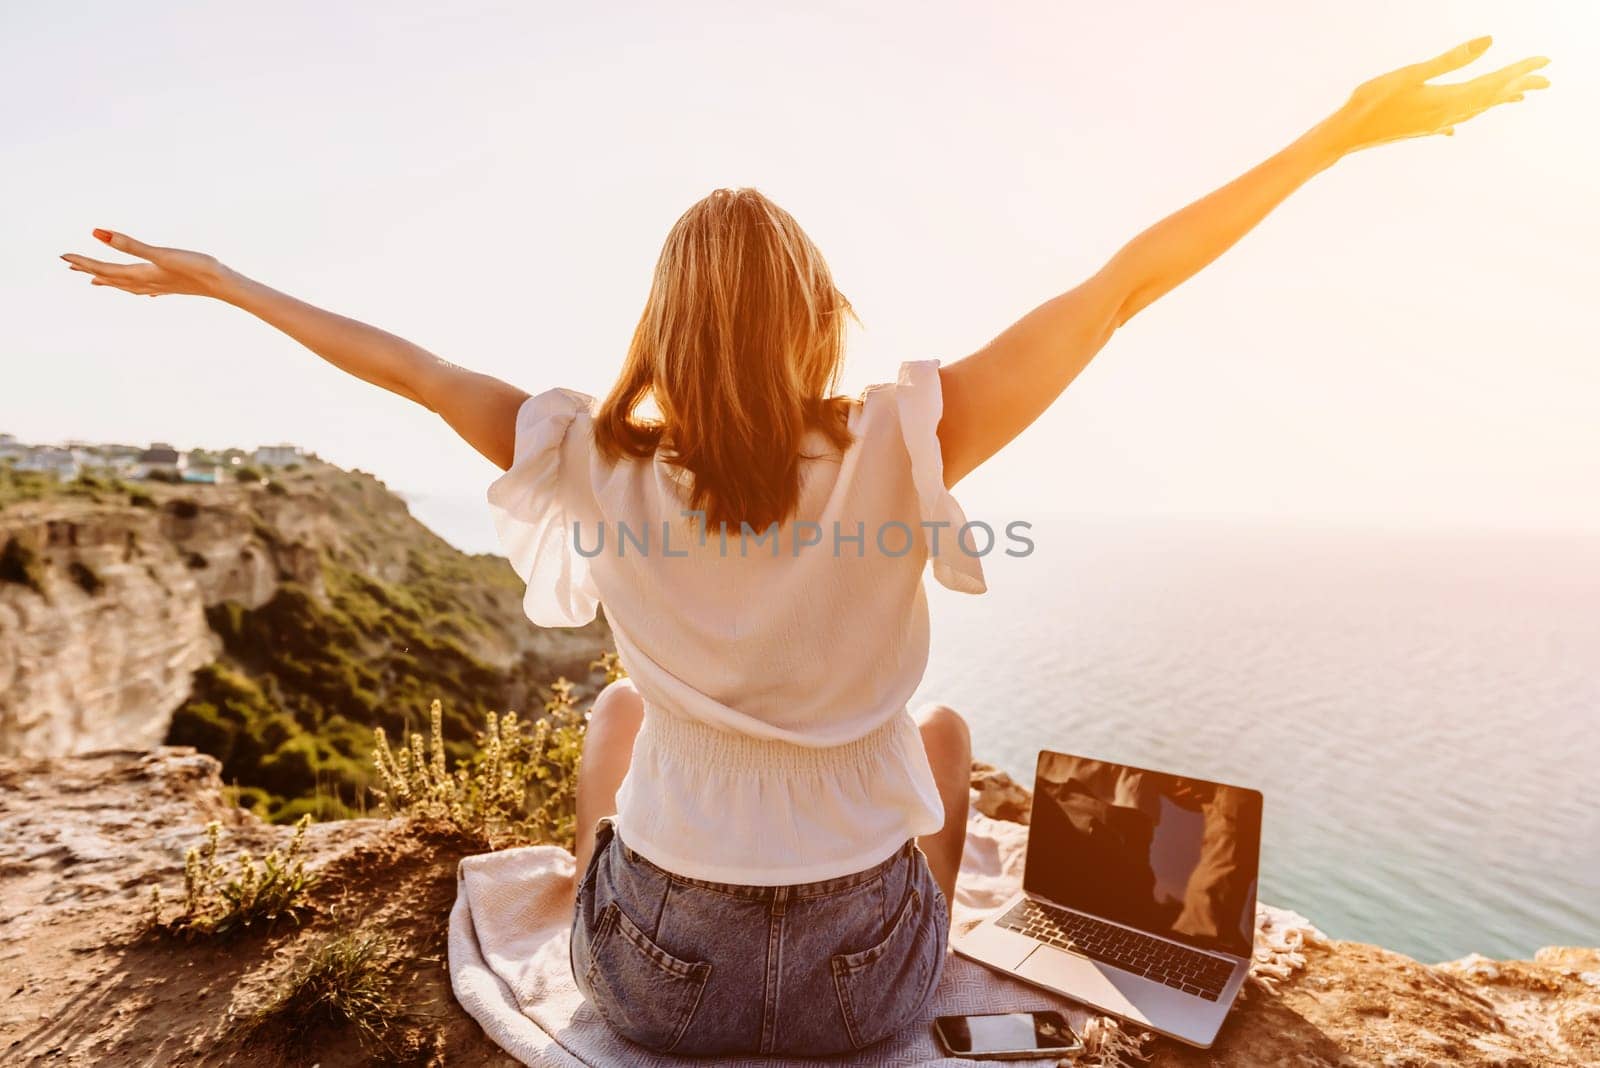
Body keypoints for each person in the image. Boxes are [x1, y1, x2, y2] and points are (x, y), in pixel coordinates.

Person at [61, 37, 1545, 1056]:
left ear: (663, 326)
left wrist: (224, 283)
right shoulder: (908, 440)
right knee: (947, 733)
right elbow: (1119, 289)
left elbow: (394, 360)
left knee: (620, 716)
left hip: (657, 992)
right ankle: (925, 941)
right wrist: (1342, 132)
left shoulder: (587, 451)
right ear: (820, 311)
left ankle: (621, 903)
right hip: (867, 997)